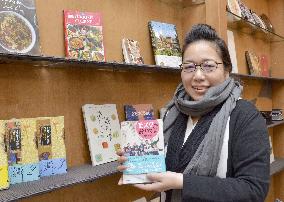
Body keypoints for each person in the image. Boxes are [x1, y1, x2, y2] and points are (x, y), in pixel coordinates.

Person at [117, 24, 270, 202]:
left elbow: (254, 190)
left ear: (227, 70)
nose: (197, 75)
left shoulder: (245, 116)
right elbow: (162, 166)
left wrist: (182, 182)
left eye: (208, 66)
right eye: (189, 67)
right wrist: (138, 161)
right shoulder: (174, 111)